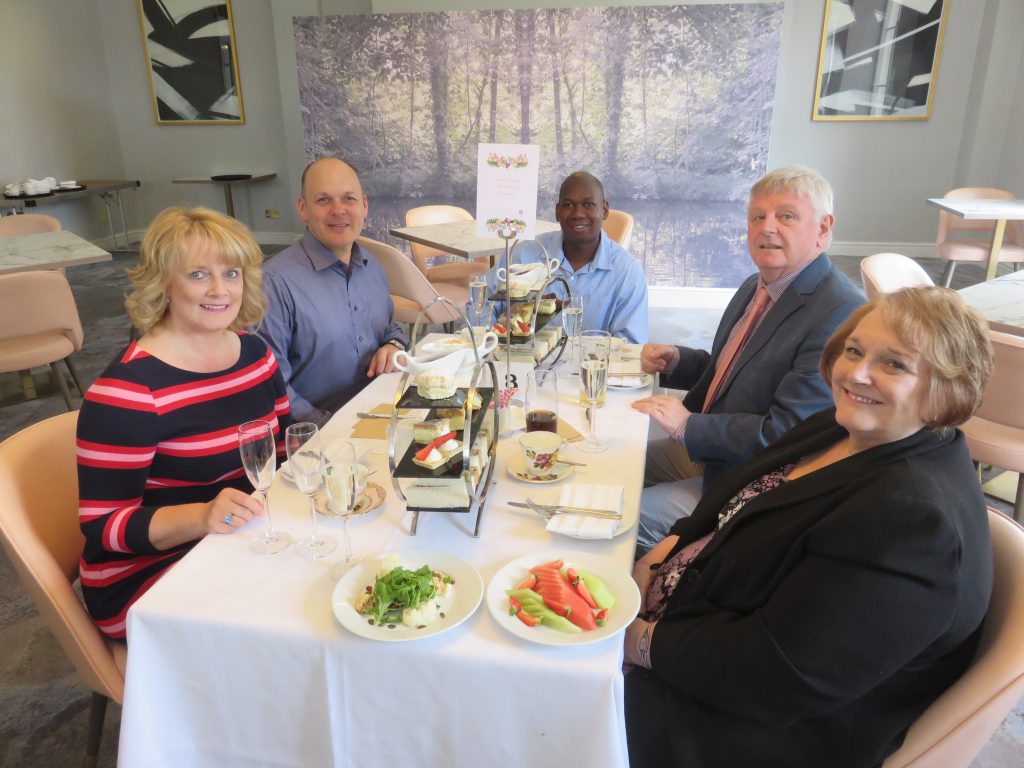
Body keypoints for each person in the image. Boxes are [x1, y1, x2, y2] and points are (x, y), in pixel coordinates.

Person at [624, 286, 994, 768]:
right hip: (691, 637)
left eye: (894, 364)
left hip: (736, 726)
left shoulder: (914, 522)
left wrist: (637, 642)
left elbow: (775, 673)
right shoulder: (843, 427)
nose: (856, 373)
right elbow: (728, 499)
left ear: (948, 389)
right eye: (854, 351)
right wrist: (660, 555)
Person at [77, 207, 291, 640]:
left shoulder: (256, 355)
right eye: (197, 275)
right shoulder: (128, 391)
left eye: (231, 273)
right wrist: (202, 516)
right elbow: (103, 526)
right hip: (149, 575)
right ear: (164, 284)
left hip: (239, 539)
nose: (220, 290)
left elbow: (283, 450)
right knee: (293, 617)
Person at [633, 165, 863, 550]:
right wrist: (677, 360)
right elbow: (734, 373)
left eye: (786, 216)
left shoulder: (839, 312)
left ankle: (652, 586)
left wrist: (687, 426)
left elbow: (787, 434)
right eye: (758, 216)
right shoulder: (756, 285)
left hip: (755, 481)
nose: (766, 227)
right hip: (715, 453)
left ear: (823, 228)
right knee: (611, 464)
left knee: (624, 512)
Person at [257, 157, 408, 425]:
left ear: (364, 205)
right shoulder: (273, 283)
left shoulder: (372, 266)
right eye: (324, 200)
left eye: (349, 199)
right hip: (319, 433)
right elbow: (270, 385)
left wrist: (392, 345)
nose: (339, 210)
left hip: (383, 413)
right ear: (303, 209)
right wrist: (329, 429)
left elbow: (389, 328)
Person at [487, 170, 648, 343]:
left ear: (605, 210)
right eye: (569, 205)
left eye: (588, 204)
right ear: (557, 212)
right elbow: (481, 305)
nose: (578, 213)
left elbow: (629, 345)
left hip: (591, 360)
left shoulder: (627, 273)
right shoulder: (522, 255)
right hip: (525, 359)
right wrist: (488, 344)